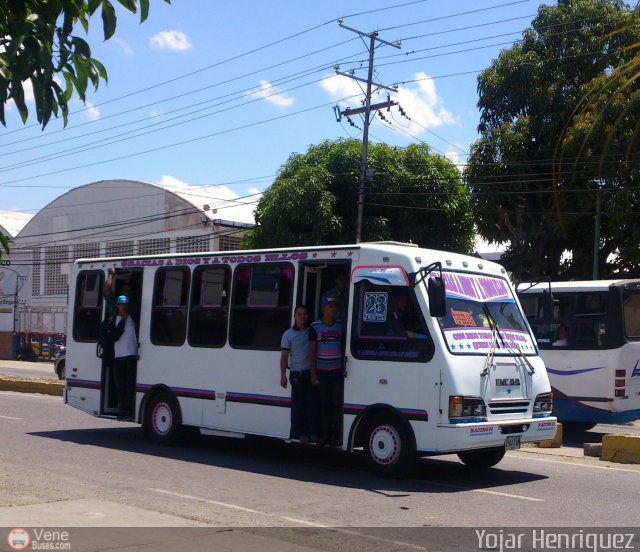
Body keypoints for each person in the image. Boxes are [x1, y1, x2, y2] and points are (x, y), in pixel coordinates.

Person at [280, 305, 318, 443]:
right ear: (295, 316)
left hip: (309, 372)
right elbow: (284, 356)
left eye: (305, 314)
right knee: (298, 404)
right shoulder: (288, 334)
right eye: (300, 314)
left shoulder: (311, 332)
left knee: (311, 404)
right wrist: (283, 375)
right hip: (296, 374)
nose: (303, 316)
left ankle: (312, 432)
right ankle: (300, 433)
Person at [309, 296, 345, 446]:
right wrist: (313, 373)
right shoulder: (315, 327)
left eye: (334, 306)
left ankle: (335, 435)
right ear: (323, 308)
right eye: (330, 306)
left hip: (337, 371)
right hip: (322, 371)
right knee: (324, 404)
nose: (333, 309)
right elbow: (312, 351)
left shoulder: (341, 325)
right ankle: (325, 434)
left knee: (336, 404)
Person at [112, 295, 138, 420]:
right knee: (121, 385)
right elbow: (115, 336)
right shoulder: (114, 320)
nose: (124, 307)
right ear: (118, 306)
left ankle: (130, 410)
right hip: (119, 356)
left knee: (130, 385)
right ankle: (123, 410)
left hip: (131, 355)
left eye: (126, 305)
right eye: (122, 305)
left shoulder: (133, 318)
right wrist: (123, 320)